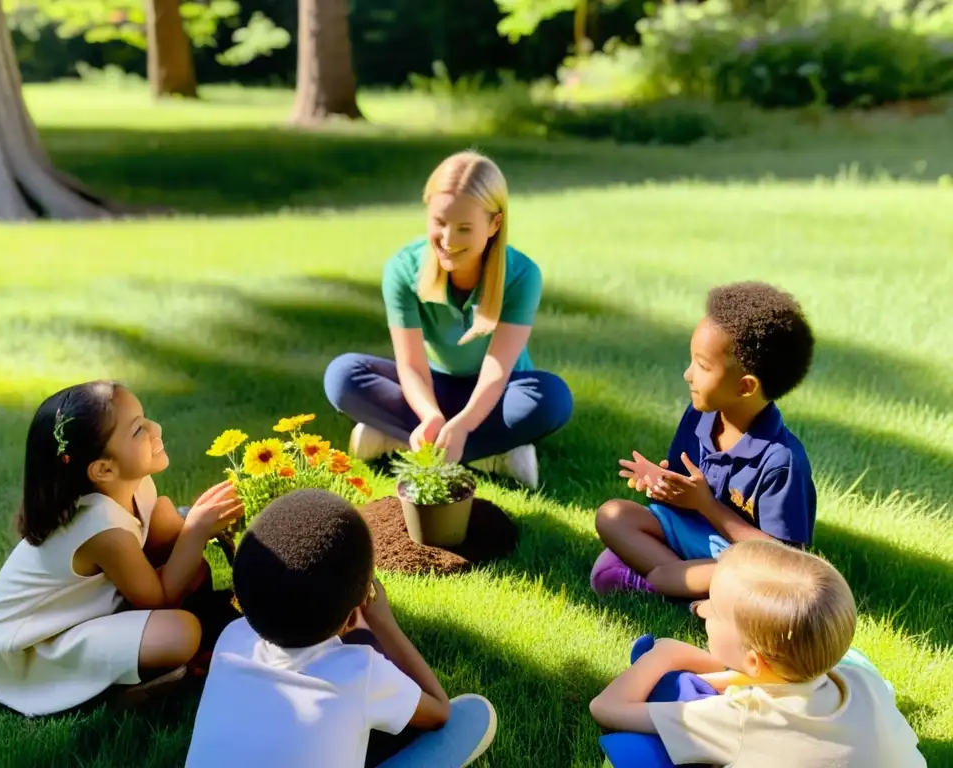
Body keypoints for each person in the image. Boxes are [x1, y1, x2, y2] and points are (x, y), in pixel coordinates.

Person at [0, 381, 244, 717]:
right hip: (38, 650)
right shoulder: (100, 527)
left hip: (88, 608)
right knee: (183, 632)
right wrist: (197, 529)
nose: (155, 428)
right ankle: (123, 687)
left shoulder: (130, 486)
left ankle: (149, 647)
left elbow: (169, 553)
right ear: (104, 469)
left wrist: (191, 532)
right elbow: (157, 598)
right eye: (138, 430)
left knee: (167, 520)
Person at [184, 489, 497, 768]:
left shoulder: (232, 638)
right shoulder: (361, 673)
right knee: (469, 719)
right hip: (375, 681)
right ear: (354, 613)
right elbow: (441, 711)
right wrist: (385, 623)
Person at [323, 150, 573, 489]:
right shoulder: (403, 269)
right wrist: (430, 415)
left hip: (498, 392)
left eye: (464, 228)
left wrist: (466, 423)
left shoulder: (522, 275)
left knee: (552, 399)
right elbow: (410, 364)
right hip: (430, 387)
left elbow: (498, 368)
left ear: (494, 224)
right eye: (439, 223)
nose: (448, 240)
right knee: (342, 376)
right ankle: (491, 455)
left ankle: (397, 441)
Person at [589, 539, 927, 767]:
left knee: (634, 751)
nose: (702, 610)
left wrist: (664, 655)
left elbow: (606, 709)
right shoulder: (859, 678)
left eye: (715, 610)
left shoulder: (738, 717)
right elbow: (760, 679)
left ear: (754, 660)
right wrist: (715, 673)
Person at [592, 282, 817, 598]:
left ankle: (665, 583)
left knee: (761, 580)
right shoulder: (699, 416)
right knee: (613, 515)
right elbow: (682, 499)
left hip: (737, 560)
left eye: (702, 366)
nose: (687, 374)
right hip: (690, 536)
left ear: (745, 387)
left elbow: (787, 563)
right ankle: (680, 585)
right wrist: (663, 485)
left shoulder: (782, 460)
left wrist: (706, 505)